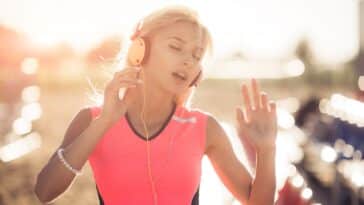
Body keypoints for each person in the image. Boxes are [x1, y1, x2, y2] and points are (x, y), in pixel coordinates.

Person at [34, 5, 277, 205]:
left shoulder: (205, 128)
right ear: (140, 49)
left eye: (196, 55)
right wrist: (105, 122)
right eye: (175, 47)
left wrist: (266, 150)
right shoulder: (91, 120)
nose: (187, 61)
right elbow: (44, 192)